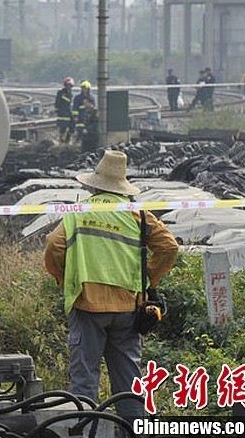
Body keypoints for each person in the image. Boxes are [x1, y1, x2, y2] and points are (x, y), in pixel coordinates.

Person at [44, 150, 178, 423]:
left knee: (84, 383)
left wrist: (65, 279)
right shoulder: (138, 215)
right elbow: (169, 248)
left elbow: (53, 246)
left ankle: (86, 430)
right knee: (129, 384)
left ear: (93, 184)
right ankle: (133, 430)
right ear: (123, 186)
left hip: (86, 304)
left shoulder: (79, 212)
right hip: (129, 308)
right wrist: (148, 279)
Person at [55, 77, 75, 143]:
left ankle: (67, 140)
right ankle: (61, 141)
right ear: (65, 85)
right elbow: (57, 104)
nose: (69, 87)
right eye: (68, 85)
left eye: (70, 86)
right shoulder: (61, 93)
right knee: (62, 128)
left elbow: (69, 104)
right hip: (62, 114)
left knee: (72, 126)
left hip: (68, 113)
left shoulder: (70, 94)